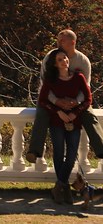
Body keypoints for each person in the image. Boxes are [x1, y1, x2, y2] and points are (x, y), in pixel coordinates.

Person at [26, 30, 103, 164]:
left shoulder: (83, 61)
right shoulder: (51, 57)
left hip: (76, 101)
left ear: (72, 42)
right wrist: (57, 102)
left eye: (62, 40)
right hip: (52, 98)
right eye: (58, 40)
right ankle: (34, 151)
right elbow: (44, 83)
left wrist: (76, 101)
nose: (58, 43)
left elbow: (87, 87)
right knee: (42, 114)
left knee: (89, 116)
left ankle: (101, 149)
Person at [38, 47, 91, 204]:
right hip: (57, 122)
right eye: (60, 60)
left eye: (65, 58)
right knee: (59, 154)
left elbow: (88, 99)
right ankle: (65, 189)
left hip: (74, 121)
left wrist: (76, 112)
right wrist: (57, 112)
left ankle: (59, 187)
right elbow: (42, 101)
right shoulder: (51, 81)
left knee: (71, 155)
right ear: (55, 64)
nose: (64, 61)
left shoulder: (78, 78)